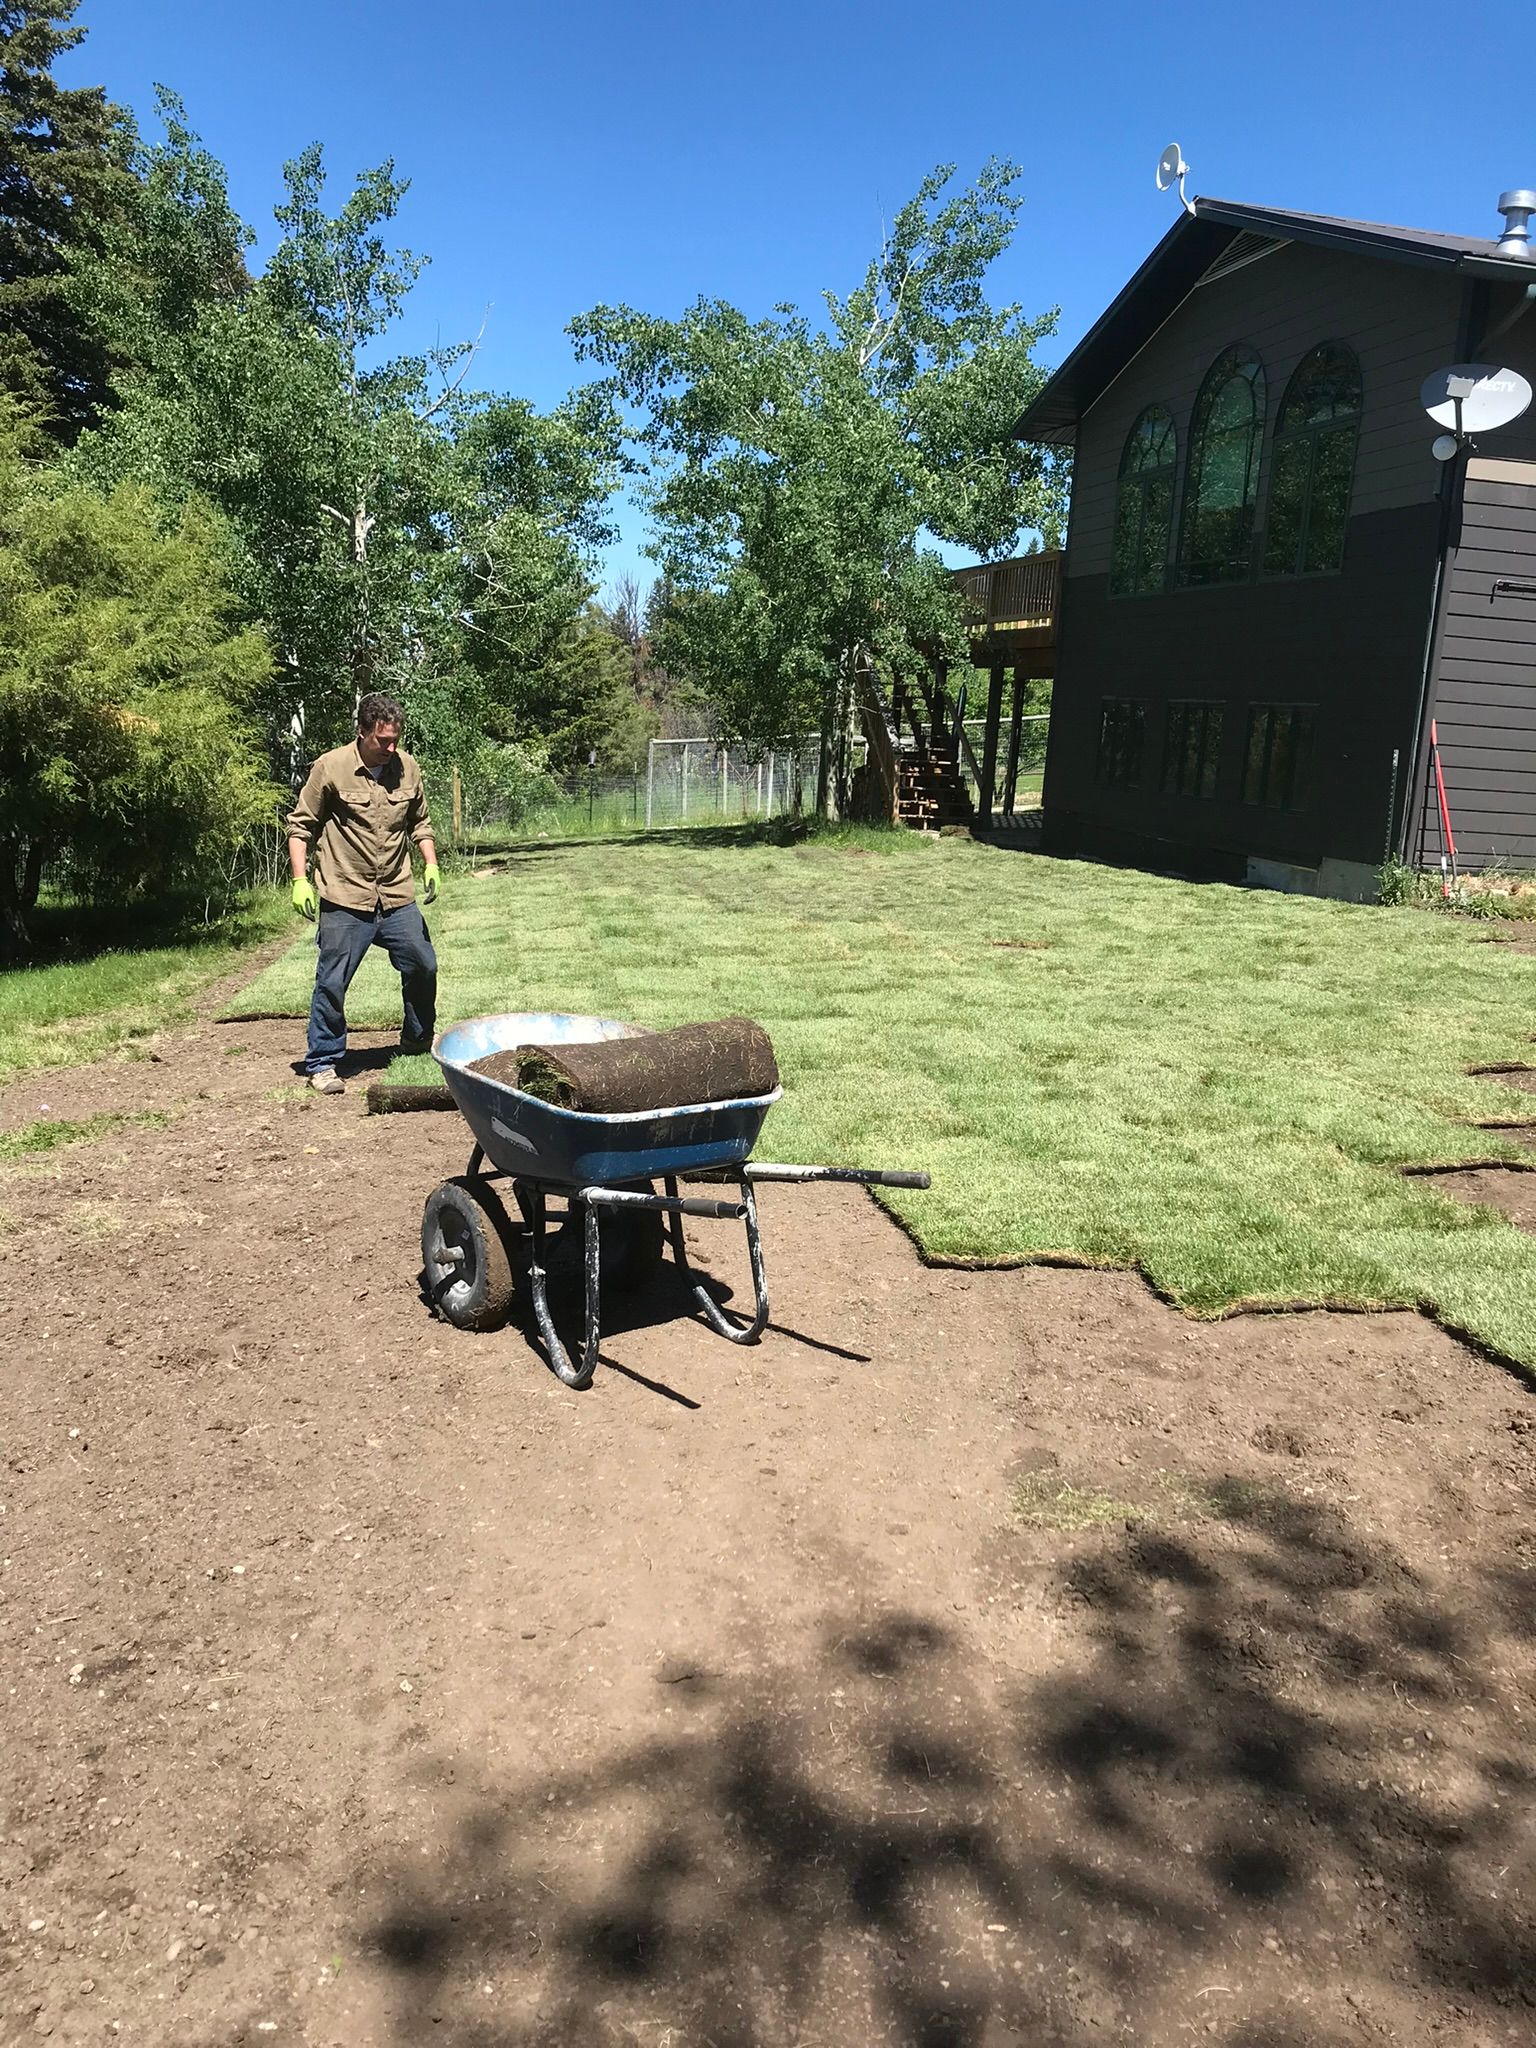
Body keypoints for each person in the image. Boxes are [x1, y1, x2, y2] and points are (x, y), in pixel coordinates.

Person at [285, 692, 441, 1095]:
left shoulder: (407, 768)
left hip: (394, 892)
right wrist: (300, 879)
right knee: (332, 981)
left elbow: (420, 822)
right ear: (362, 732)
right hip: (345, 895)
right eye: (383, 740)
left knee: (423, 964)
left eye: (396, 739)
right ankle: (322, 1061)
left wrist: (431, 863)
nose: (391, 748)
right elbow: (301, 825)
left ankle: (416, 1041)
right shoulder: (331, 767)